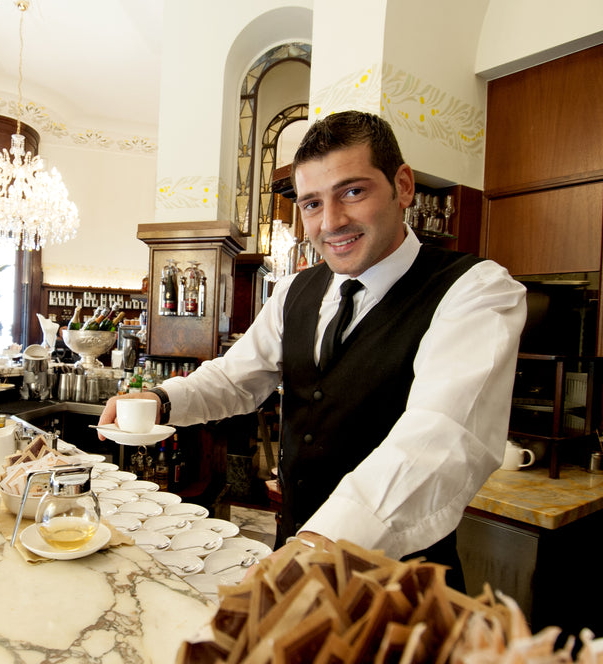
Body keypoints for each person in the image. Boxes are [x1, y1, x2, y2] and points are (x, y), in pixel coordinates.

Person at [99, 110, 527, 586]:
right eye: (311, 204)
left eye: (353, 191)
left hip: (398, 585)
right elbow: (237, 377)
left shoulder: (476, 290)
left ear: (402, 186)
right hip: (295, 554)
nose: (331, 222)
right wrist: (161, 399)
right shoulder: (294, 291)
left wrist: (318, 544)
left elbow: (439, 440)